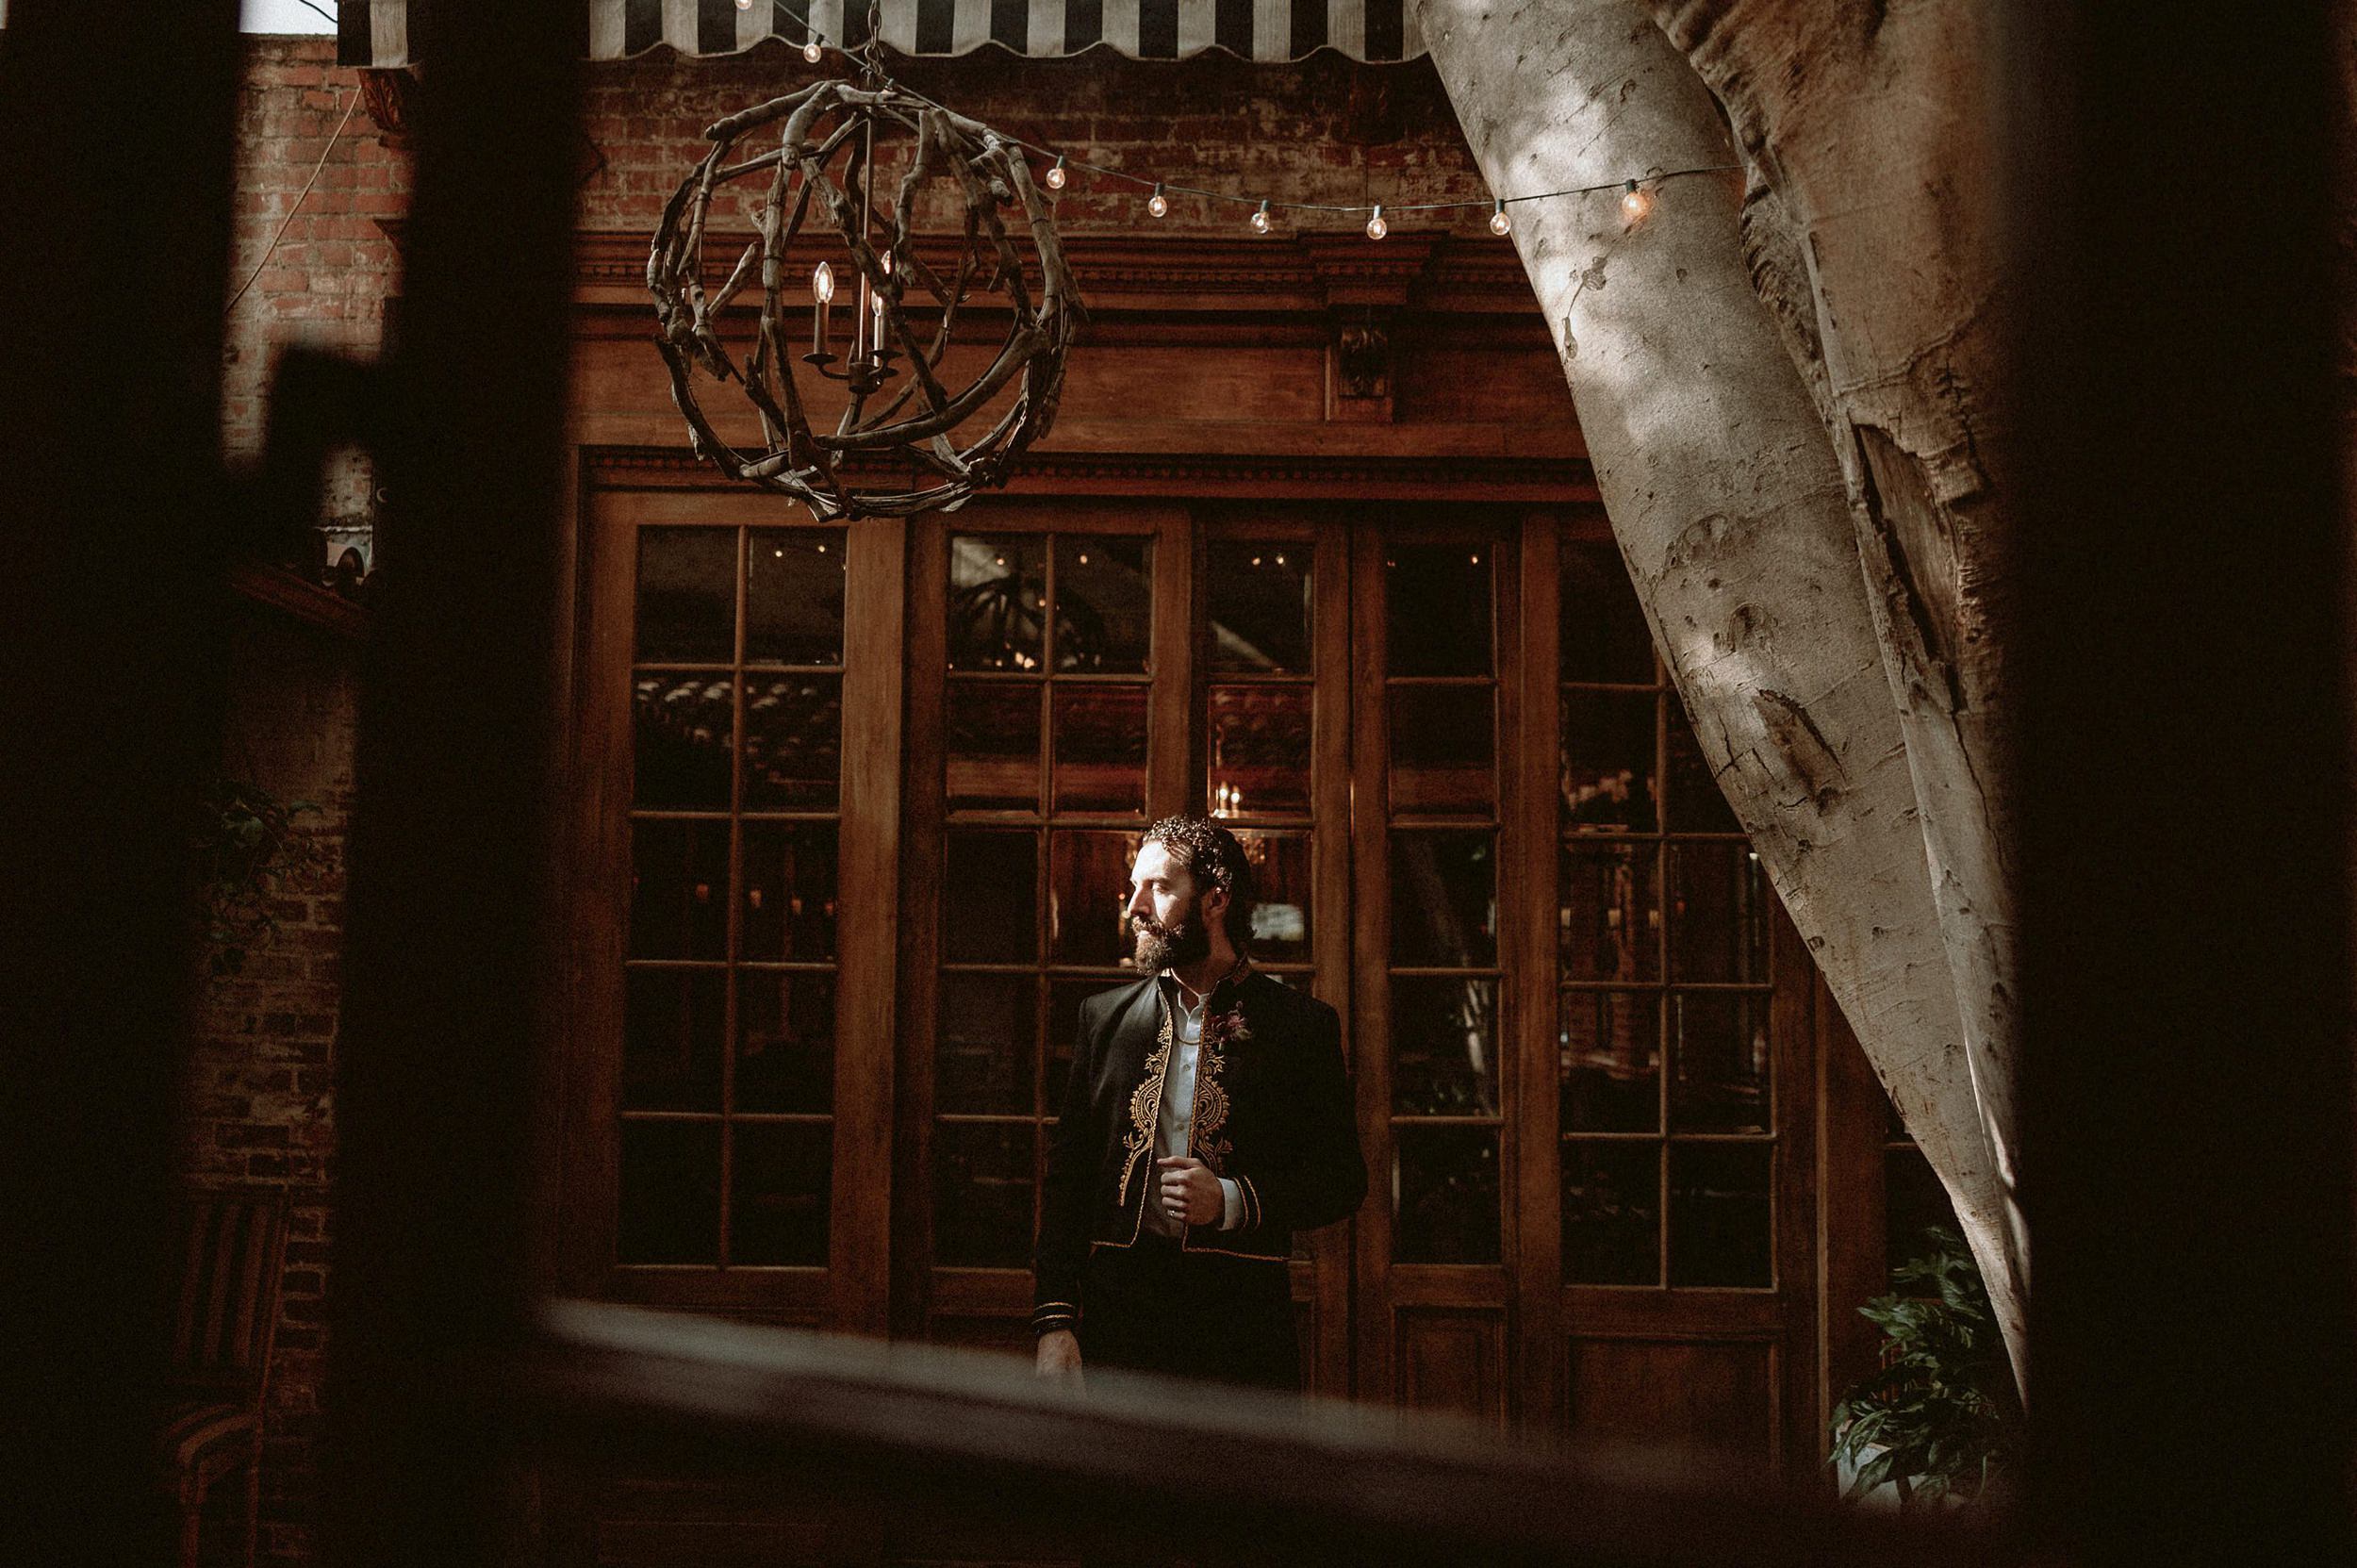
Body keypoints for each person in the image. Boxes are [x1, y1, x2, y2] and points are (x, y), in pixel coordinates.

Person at [1032, 814, 1366, 1392]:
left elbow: (1342, 1179)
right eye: (1134, 886)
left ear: (1215, 900)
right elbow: (1068, 1180)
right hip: (1120, 1320)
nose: (1134, 906)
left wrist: (1233, 1200)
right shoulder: (1103, 1019)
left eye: (1158, 887)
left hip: (1242, 1325)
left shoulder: (1300, 1027)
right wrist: (1055, 1322)